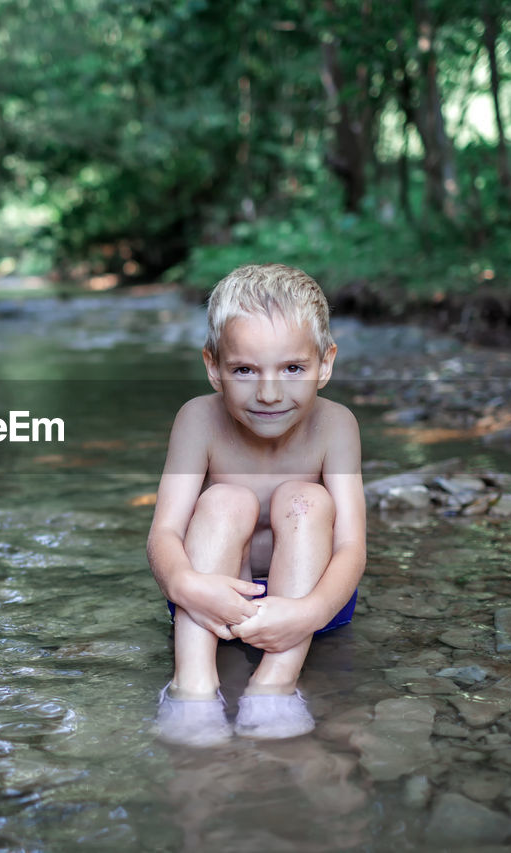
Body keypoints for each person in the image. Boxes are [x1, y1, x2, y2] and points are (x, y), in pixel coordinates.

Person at [147, 263, 366, 746]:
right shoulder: (197, 420)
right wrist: (184, 582)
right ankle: (194, 684)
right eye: (244, 370)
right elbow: (164, 532)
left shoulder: (336, 425)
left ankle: (275, 684)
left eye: (293, 369)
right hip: (209, 596)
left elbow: (351, 544)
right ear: (213, 367)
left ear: (325, 364)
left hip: (313, 600)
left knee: (305, 498)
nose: (269, 393)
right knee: (226, 499)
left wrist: (312, 611)